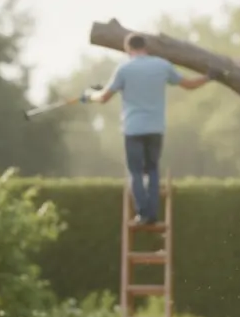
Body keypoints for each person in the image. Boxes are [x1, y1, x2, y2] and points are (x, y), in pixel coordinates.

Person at [85, 34, 221, 226]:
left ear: (128, 49)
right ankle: (153, 213)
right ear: (146, 47)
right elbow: (189, 85)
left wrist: (91, 95)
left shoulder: (124, 68)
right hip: (155, 128)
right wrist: (209, 77)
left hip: (133, 129)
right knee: (153, 170)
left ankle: (143, 214)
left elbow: (104, 97)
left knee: (136, 173)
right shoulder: (161, 65)